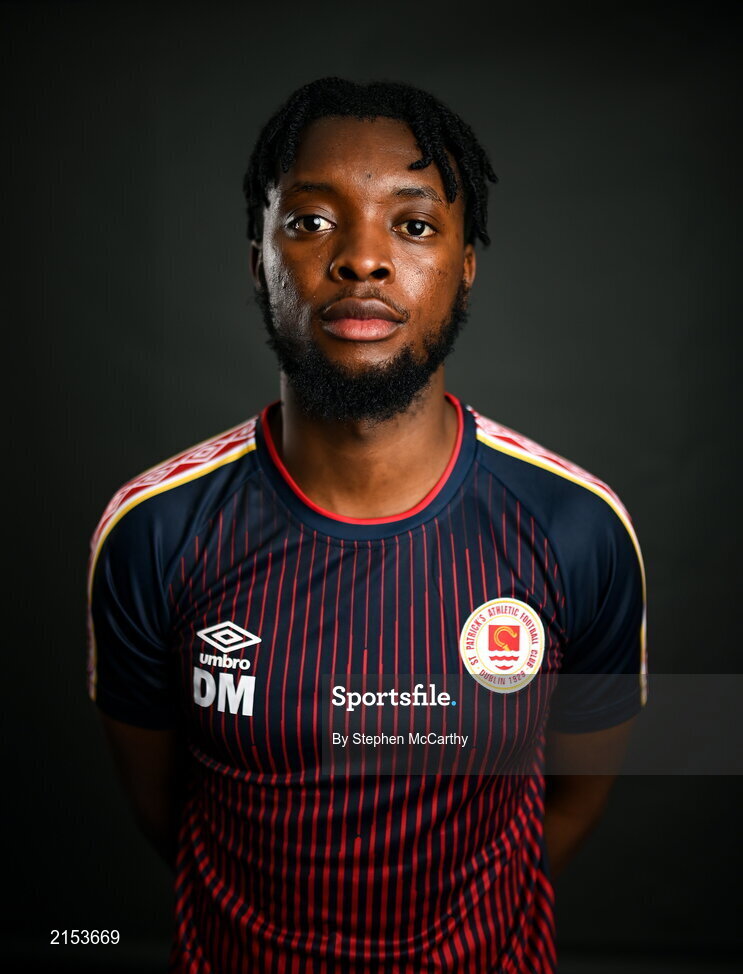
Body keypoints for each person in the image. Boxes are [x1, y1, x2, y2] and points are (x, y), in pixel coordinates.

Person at [87, 77, 647, 973]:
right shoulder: (155, 531)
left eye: (413, 225)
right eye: (310, 221)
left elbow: (576, 793)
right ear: (258, 260)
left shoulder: (577, 527)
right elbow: (163, 807)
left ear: (466, 264)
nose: (362, 260)